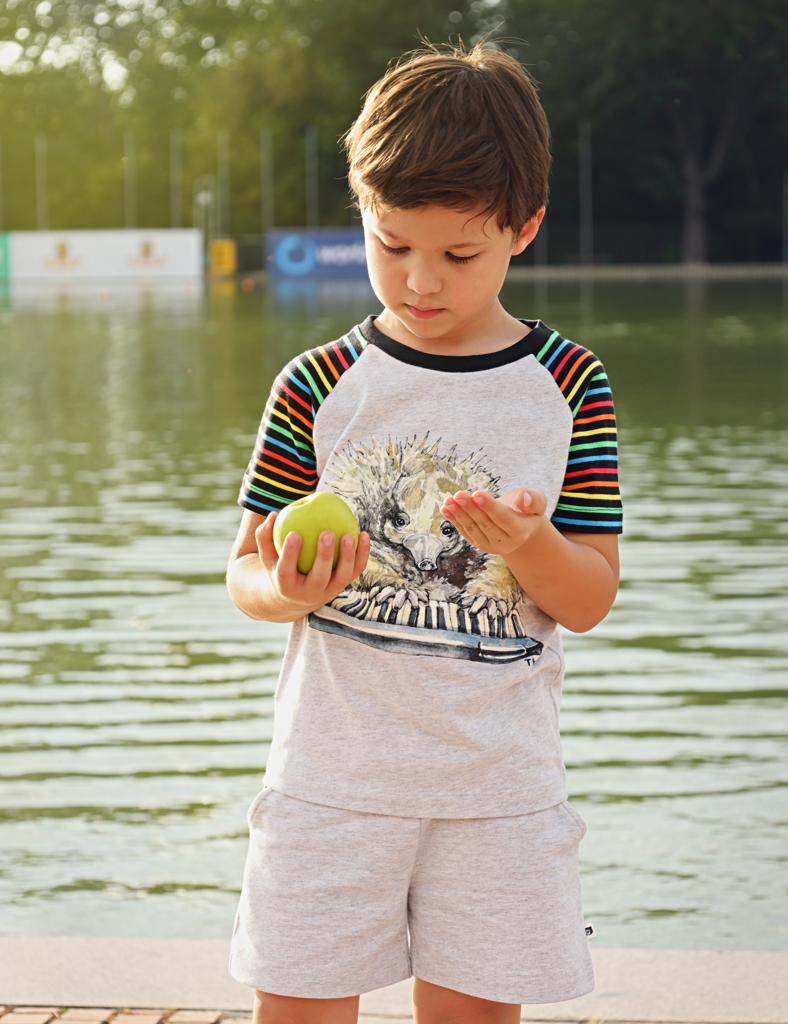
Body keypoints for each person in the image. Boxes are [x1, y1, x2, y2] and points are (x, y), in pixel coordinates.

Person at [226, 42, 622, 1024]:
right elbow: (244, 575)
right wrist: (290, 588)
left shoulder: (568, 386)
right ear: (362, 212)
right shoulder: (316, 385)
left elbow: (590, 598)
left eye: (457, 254)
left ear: (521, 227)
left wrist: (526, 546)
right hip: (330, 780)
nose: (417, 281)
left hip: (496, 792)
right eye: (390, 242)